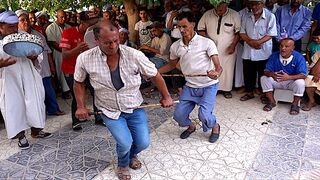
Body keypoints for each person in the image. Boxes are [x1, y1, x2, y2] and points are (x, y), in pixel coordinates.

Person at [73, 20, 173, 180]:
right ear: (96, 40)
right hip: (108, 109)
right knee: (125, 142)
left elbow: (155, 75)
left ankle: (132, 155)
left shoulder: (134, 55)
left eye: (115, 41)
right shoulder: (85, 58)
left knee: (143, 143)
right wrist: (80, 106)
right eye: (107, 43)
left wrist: (166, 96)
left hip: (134, 106)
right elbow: (78, 82)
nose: (113, 46)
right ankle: (123, 164)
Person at [159, 11, 222, 143]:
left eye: (184, 26)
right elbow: (171, 65)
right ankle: (191, 126)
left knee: (204, 115)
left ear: (193, 24)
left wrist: (216, 73)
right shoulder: (176, 46)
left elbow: (218, 67)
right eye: (179, 27)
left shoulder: (207, 43)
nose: (181, 30)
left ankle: (215, 125)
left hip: (208, 86)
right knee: (178, 115)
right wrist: (155, 73)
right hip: (190, 86)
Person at [0, 11, 52, 150]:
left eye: (15, 25)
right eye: (10, 26)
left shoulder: (24, 36)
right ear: (1, 26)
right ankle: (21, 136)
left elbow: (37, 53)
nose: (14, 29)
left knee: (35, 102)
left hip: (29, 74)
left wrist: (34, 57)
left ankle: (36, 130)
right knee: (14, 106)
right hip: (9, 78)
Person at [16, 9, 65, 116]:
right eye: (22, 20)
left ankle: (53, 109)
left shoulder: (38, 34)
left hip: (44, 68)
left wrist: (51, 66)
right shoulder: (16, 37)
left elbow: (47, 51)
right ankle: (37, 114)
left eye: (27, 20)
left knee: (48, 90)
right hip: (28, 71)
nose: (26, 22)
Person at [60, 11, 101, 131]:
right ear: (82, 23)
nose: (93, 26)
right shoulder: (68, 33)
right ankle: (76, 120)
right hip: (71, 69)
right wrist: (77, 49)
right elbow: (65, 55)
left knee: (96, 92)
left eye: (95, 23)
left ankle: (99, 118)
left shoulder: (95, 33)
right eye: (91, 24)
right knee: (77, 95)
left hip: (89, 69)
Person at [197, 1, 240, 98]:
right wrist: (208, 41)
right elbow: (200, 29)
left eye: (221, 9)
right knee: (212, 67)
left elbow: (238, 32)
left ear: (226, 6)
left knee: (228, 69)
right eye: (217, 9)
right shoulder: (207, 14)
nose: (219, 11)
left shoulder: (234, 14)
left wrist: (233, 45)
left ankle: (226, 90)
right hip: (211, 48)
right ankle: (212, 89)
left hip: (228, 47)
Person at [239, 0, 277, 102]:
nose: (254, 7)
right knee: (248, 72)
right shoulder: (246, 16)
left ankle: (264, 94)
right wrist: (251, 42)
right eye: (252, 4)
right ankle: (249, 92)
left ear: (263, 4)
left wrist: (258, 42)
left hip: (263, 51)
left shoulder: (270, 16)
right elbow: (242, 32)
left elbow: (271, 33)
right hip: (248, 50)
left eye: (257, 4)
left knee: (263, 73)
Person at [261, 38, 307, 115]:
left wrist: (288, 77)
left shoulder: (299, 57)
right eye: (281, 46)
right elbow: (266, 71)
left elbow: (303, 75)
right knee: (264, 78)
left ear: (293, 48)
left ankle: (295, 104)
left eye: (286, 46)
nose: (283, 48)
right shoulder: (274, 55)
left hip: (291, 82)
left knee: (300, 82)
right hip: (277, 80)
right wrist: (272, 74)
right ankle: (272, 102)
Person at [46, 10, 71, 99]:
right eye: (61, 17)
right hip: (58, 52)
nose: (64, 19)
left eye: (65, 17)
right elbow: (53, 43)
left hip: (70, 52)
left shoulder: (68, 27)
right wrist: (64, 50)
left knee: (70, 70)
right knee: (61, 71)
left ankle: (71, 89)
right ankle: (65, 91)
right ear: (57, 17)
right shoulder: (51, 28)